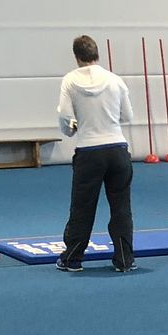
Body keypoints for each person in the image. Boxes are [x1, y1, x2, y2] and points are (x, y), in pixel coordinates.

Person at [56, 35, 137, 274]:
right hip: (118, 149)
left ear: (76, 56)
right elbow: (127, 116)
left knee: (82, 207)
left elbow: (64, 115)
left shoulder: (70, 80)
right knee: (121, 206)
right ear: (97, 54)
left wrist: (72, 129)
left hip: (88, 151)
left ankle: (72, 258)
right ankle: (125, 259)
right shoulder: (115, 80)